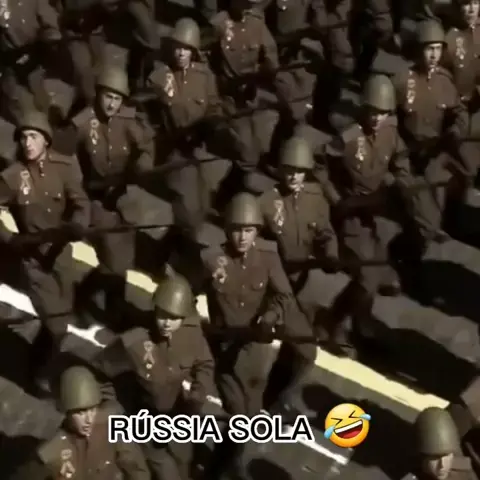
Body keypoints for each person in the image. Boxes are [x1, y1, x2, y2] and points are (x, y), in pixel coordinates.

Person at [200, 192, 298, 479]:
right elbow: (184, 292)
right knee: (239, 418)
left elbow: (284, 295)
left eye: (249, 230)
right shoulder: (210, 259)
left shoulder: (267, 256)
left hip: (256, 353)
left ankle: (228, 462)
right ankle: (217, 471)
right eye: (236, 230)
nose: (242, 237)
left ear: (257, 231)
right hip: (225, 352)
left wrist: (269, 318)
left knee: (250, 416)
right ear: (227, 230)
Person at [321, 74, 414, 357]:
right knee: (366, 276)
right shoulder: (348, 138)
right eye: (373, 111)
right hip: (350, 215)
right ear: (364, 109)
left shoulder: (390, 134)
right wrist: (337, 200)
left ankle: (361, 319)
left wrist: (402, 181)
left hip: (376, 213)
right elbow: (319, 166)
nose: (377, 118)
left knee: (376, 267)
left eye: (383, 113)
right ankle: (333, 323)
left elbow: (401, 161)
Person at [92, 274, 215, 480]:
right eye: (162, 315)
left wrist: (199, 391)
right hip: (145, 416)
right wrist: (111, 405)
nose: (167, 323)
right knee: (162, 467)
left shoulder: (191, 335)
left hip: (178, 411)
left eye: (174, 318)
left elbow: (205, 363)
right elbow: (101, 369)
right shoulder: (135, 342)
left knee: (183, 458)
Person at [0, 110, 90, 390]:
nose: (27, 143)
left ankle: (40, 351)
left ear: (46, 140)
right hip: (34, 262)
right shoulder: (13, 177)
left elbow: (81, 202)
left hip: (61, 256)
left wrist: (78, 225)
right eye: (23, 138)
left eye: (33, 136)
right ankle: (37, 374)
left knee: (61, 316)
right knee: (57, 325)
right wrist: (9, 237)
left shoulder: (65, 167)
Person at [72, 64, 154, 328]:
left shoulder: (128, 121)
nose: (112, 104)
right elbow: (66, 159)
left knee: (124, 257)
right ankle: (84, 296)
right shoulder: (83, 123)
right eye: (108, 97)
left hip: (122, 196)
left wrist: (141, 167)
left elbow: (146, 146)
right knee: (112, 258)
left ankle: (113, 304)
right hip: (95, 199)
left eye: (117, 99)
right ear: (98, 94)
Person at [392, 19, 469, 245]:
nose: (434, 55)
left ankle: (439, 223)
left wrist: (457, 129)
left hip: (434, 148)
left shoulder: (444, 80)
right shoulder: (401, 81)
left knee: (450, 177)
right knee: (413, 193)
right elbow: (388, 118)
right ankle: (422, 227)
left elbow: (459, 111)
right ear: (419, 50)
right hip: (407, 151)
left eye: (437, 49)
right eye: (429, 49)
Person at [146, 17, 223, 236]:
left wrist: (212, 125)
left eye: (186, 49)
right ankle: (182, 239)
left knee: (204, 201)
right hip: (173, 149)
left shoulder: (205, 76)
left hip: (198, 145)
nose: (181, 53)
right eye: (177, 48)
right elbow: (149, 118)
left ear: (193, 52)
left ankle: (183, 236)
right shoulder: (158, 78)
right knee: (187, 206)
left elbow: (214, 106)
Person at [8, 365, 151, 479]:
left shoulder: (111, 426)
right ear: (66, 411)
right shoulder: (51, 445)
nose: (89, 420)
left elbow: (137, 469)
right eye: (80, 413)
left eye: (92, 410)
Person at [0, 0, 61, 122]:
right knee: (16, 97)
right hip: (8, 60)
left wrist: (47, 35)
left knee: (39, 90)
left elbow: (52, 27)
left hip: (34, 52)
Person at [401, 406, 476, 480]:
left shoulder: (463, 467)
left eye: (446, 455)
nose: (442, 465)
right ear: (423, 457)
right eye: (435, 457)